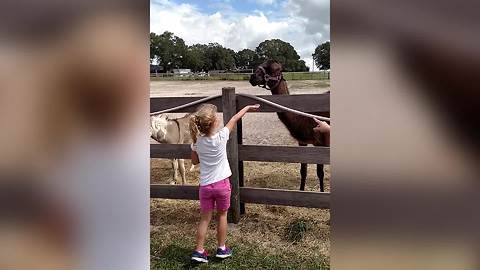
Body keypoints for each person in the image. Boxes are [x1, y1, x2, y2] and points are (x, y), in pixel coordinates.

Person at [189, 103, 260, 263]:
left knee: (204, 219)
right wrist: (247, 108)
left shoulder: (197, 141)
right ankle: (221, 248)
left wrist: (195, 147)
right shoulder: (221, 136)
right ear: (214, 122)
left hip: (206, 186)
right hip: (222, 185)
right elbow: (234, 118)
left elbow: (194, 161)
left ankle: (198, 251)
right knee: (222, 216)